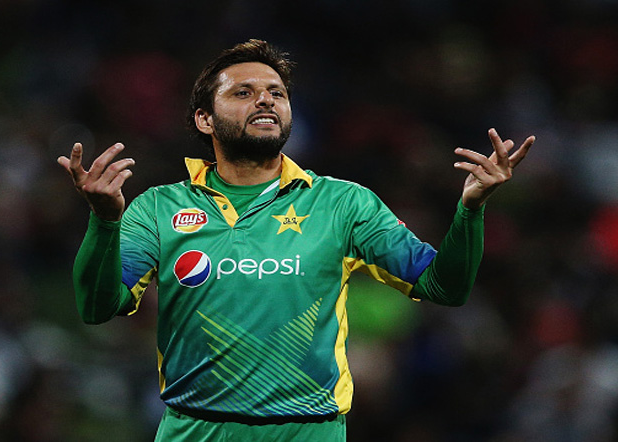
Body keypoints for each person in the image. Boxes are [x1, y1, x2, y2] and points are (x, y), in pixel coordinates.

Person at [58, 39, 535, 441]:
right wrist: (104, 222)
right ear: (205, 120)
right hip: (195, 431)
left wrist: (470, 210)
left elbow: (443, 287)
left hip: (308, 431)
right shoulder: (158, 208)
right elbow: (99, 307)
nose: (266, 100)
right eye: (243, 92)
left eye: (276, 93)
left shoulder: (343, 205)